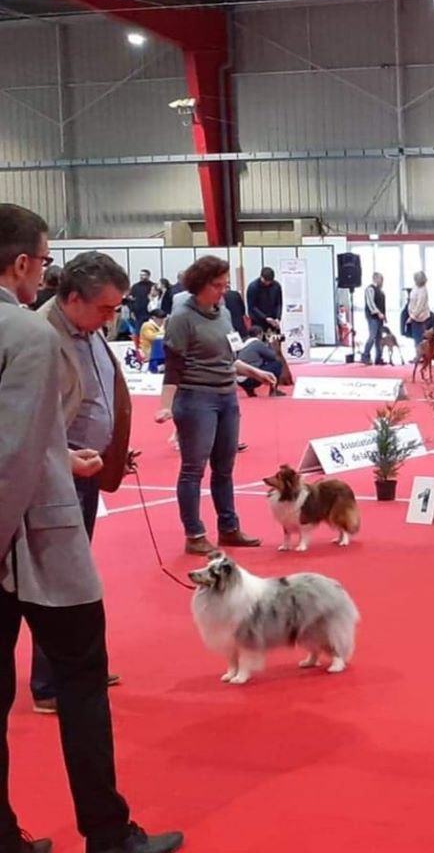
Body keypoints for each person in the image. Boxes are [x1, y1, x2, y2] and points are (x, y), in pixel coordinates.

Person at [0, 204, 183, 853]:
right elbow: (15, 459)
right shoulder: (25, 333)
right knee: (82, 683)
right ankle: (108, 836)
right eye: (42, 261)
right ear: (23, 263)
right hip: (31, 537)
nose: (41, 272)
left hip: (37, 511)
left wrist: (69, 456)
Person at [30, 251, 135, 714]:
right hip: (54, 474)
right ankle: (49, 684)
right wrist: (65, 458)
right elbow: (29, 418)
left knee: (76, 579)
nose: (112, 318)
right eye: (105, 309)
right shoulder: (38, 335)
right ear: (73, 298)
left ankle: (76, 667)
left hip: (88, 470)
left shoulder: (89, 330)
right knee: (55, 581)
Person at [155, 255, 277, 556]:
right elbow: (173, 366)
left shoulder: (222, 312)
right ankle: (194, 533)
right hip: (195, 399)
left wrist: (254, 372)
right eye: (217, 285)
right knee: (193, 470)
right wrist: (165, 406)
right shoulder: (181, 317)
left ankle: (229, 527)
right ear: (199, 284)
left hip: (227, 396)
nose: (223, 291)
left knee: (225, 469)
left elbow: (226, 357)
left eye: (225, 285)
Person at [237, 326, 285, 397]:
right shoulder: (257, 343)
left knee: (253, 365)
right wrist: (271, 344)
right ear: (260, 334)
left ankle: (250, 391)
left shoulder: (243, 343)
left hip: (239, 379)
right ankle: (273, 391)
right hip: (252, 378)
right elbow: (272, 356)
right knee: (277, 364)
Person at [361, 272, 386, 366]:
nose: (382, 281)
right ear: (375, 279)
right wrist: (378, 312)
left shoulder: (381, 291)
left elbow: (382, 305)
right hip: (372, 317)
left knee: (379, 338)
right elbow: (370, 303)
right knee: (372, 336)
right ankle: (365, 355)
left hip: (380, 318)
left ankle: (378, 358)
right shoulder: (370, 289)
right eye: (381, 279)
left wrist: (384, 315)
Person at [246, 266, 282, 332]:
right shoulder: (253, 287)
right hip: (258, 322)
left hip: (273, 321)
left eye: (270, 281)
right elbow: (252, 307)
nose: (267, 283)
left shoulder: (276, 286)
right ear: (261, 277)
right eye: (266, 281)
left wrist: (278, 318)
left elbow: (279, 303)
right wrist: (265, 317)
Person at [407, 271, 430, 352]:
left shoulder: (423, 290)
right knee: (416, 338)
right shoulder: (415, 287)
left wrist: (412, 317)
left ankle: (420, 355)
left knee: (419, 338)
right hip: (415, 317)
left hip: (420, 318)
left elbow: (419, 306)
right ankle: (418, 355)